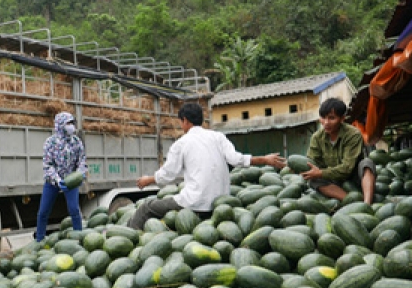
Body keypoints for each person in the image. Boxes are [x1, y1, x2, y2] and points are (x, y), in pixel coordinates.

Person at [128, 103, 285, 230]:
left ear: (185, 121)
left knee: (146, 208)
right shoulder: (218, 137)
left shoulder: (181, 143)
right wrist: (264, 159)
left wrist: (148, 180)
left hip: (193, 204)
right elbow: (236, 159)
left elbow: (167, 175)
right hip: (220, 204)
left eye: (181, 122)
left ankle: (131, 236)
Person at [301, 97, 376, 204]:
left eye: (331, 118)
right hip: (333, 181)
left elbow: (347, 168)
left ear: (342, 119)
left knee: (367, 163)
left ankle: (366, 203)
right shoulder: (317, 138)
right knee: (313, 180)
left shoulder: (353, 134)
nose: (326, 122)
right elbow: (312, 162)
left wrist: (321, 173)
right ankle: (350, 201)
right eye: (323, 117)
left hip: (354, 178)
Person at [35, 112, 88, 242]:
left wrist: (80, 174)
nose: (71, 126)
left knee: (74, 209)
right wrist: (57, 180)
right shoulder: (50, 142)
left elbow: (82, 161)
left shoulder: (76, 142)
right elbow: (47, 164)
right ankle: (39, 239)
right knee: (43, 211)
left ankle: (79, 238)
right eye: (68, 123)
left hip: (70, 181)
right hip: (53, 181)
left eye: (72, 123)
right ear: (60, 125)